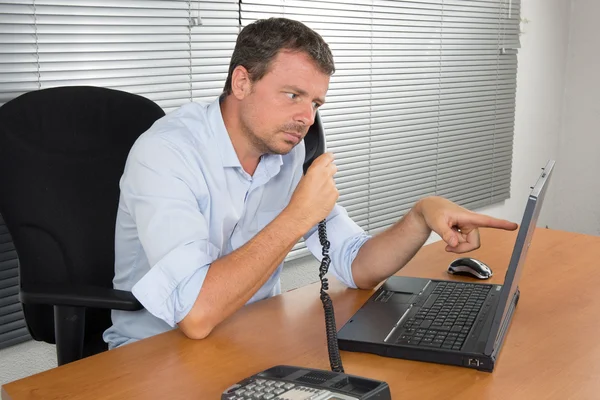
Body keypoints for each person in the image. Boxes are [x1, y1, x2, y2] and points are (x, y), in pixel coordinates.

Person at [102, 18, 518, 349]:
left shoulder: (289, 152)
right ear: (242, 82)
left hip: (249, 338)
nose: (306, 118)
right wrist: (297, 215)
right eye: (292, 95)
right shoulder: (166, 153)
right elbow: (195, 314)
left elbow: (356, 264)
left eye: (315, 103)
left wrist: (421, 215)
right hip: (156, 353)